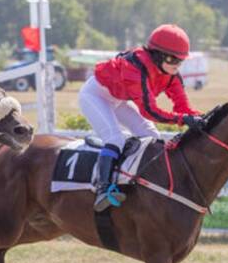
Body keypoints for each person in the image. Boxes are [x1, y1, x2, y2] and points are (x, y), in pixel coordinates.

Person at [77, 24, 204, 211]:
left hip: (118, 99)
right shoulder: (135, 68)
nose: (176, 65)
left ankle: (146, 183)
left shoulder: (171, 75)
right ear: (157, 55)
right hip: (95, 95)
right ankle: (103, 189)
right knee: (115, 139)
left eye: (180, 61)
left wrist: (206, 119)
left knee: (152, 136)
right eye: (172, 59)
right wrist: (182, 120)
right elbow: (149, 111)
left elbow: (184, 108)